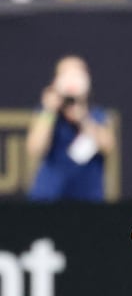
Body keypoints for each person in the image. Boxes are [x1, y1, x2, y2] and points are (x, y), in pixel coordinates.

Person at [26, 55, 116, 202]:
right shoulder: (47, 114)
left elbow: (108, 147)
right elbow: (35, 148)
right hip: (48, 197)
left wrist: (83, 118)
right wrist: (50, 110)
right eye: (66, 74)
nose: (72, 80)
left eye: (78, 74)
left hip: (88, 198)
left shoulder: (97, 115)